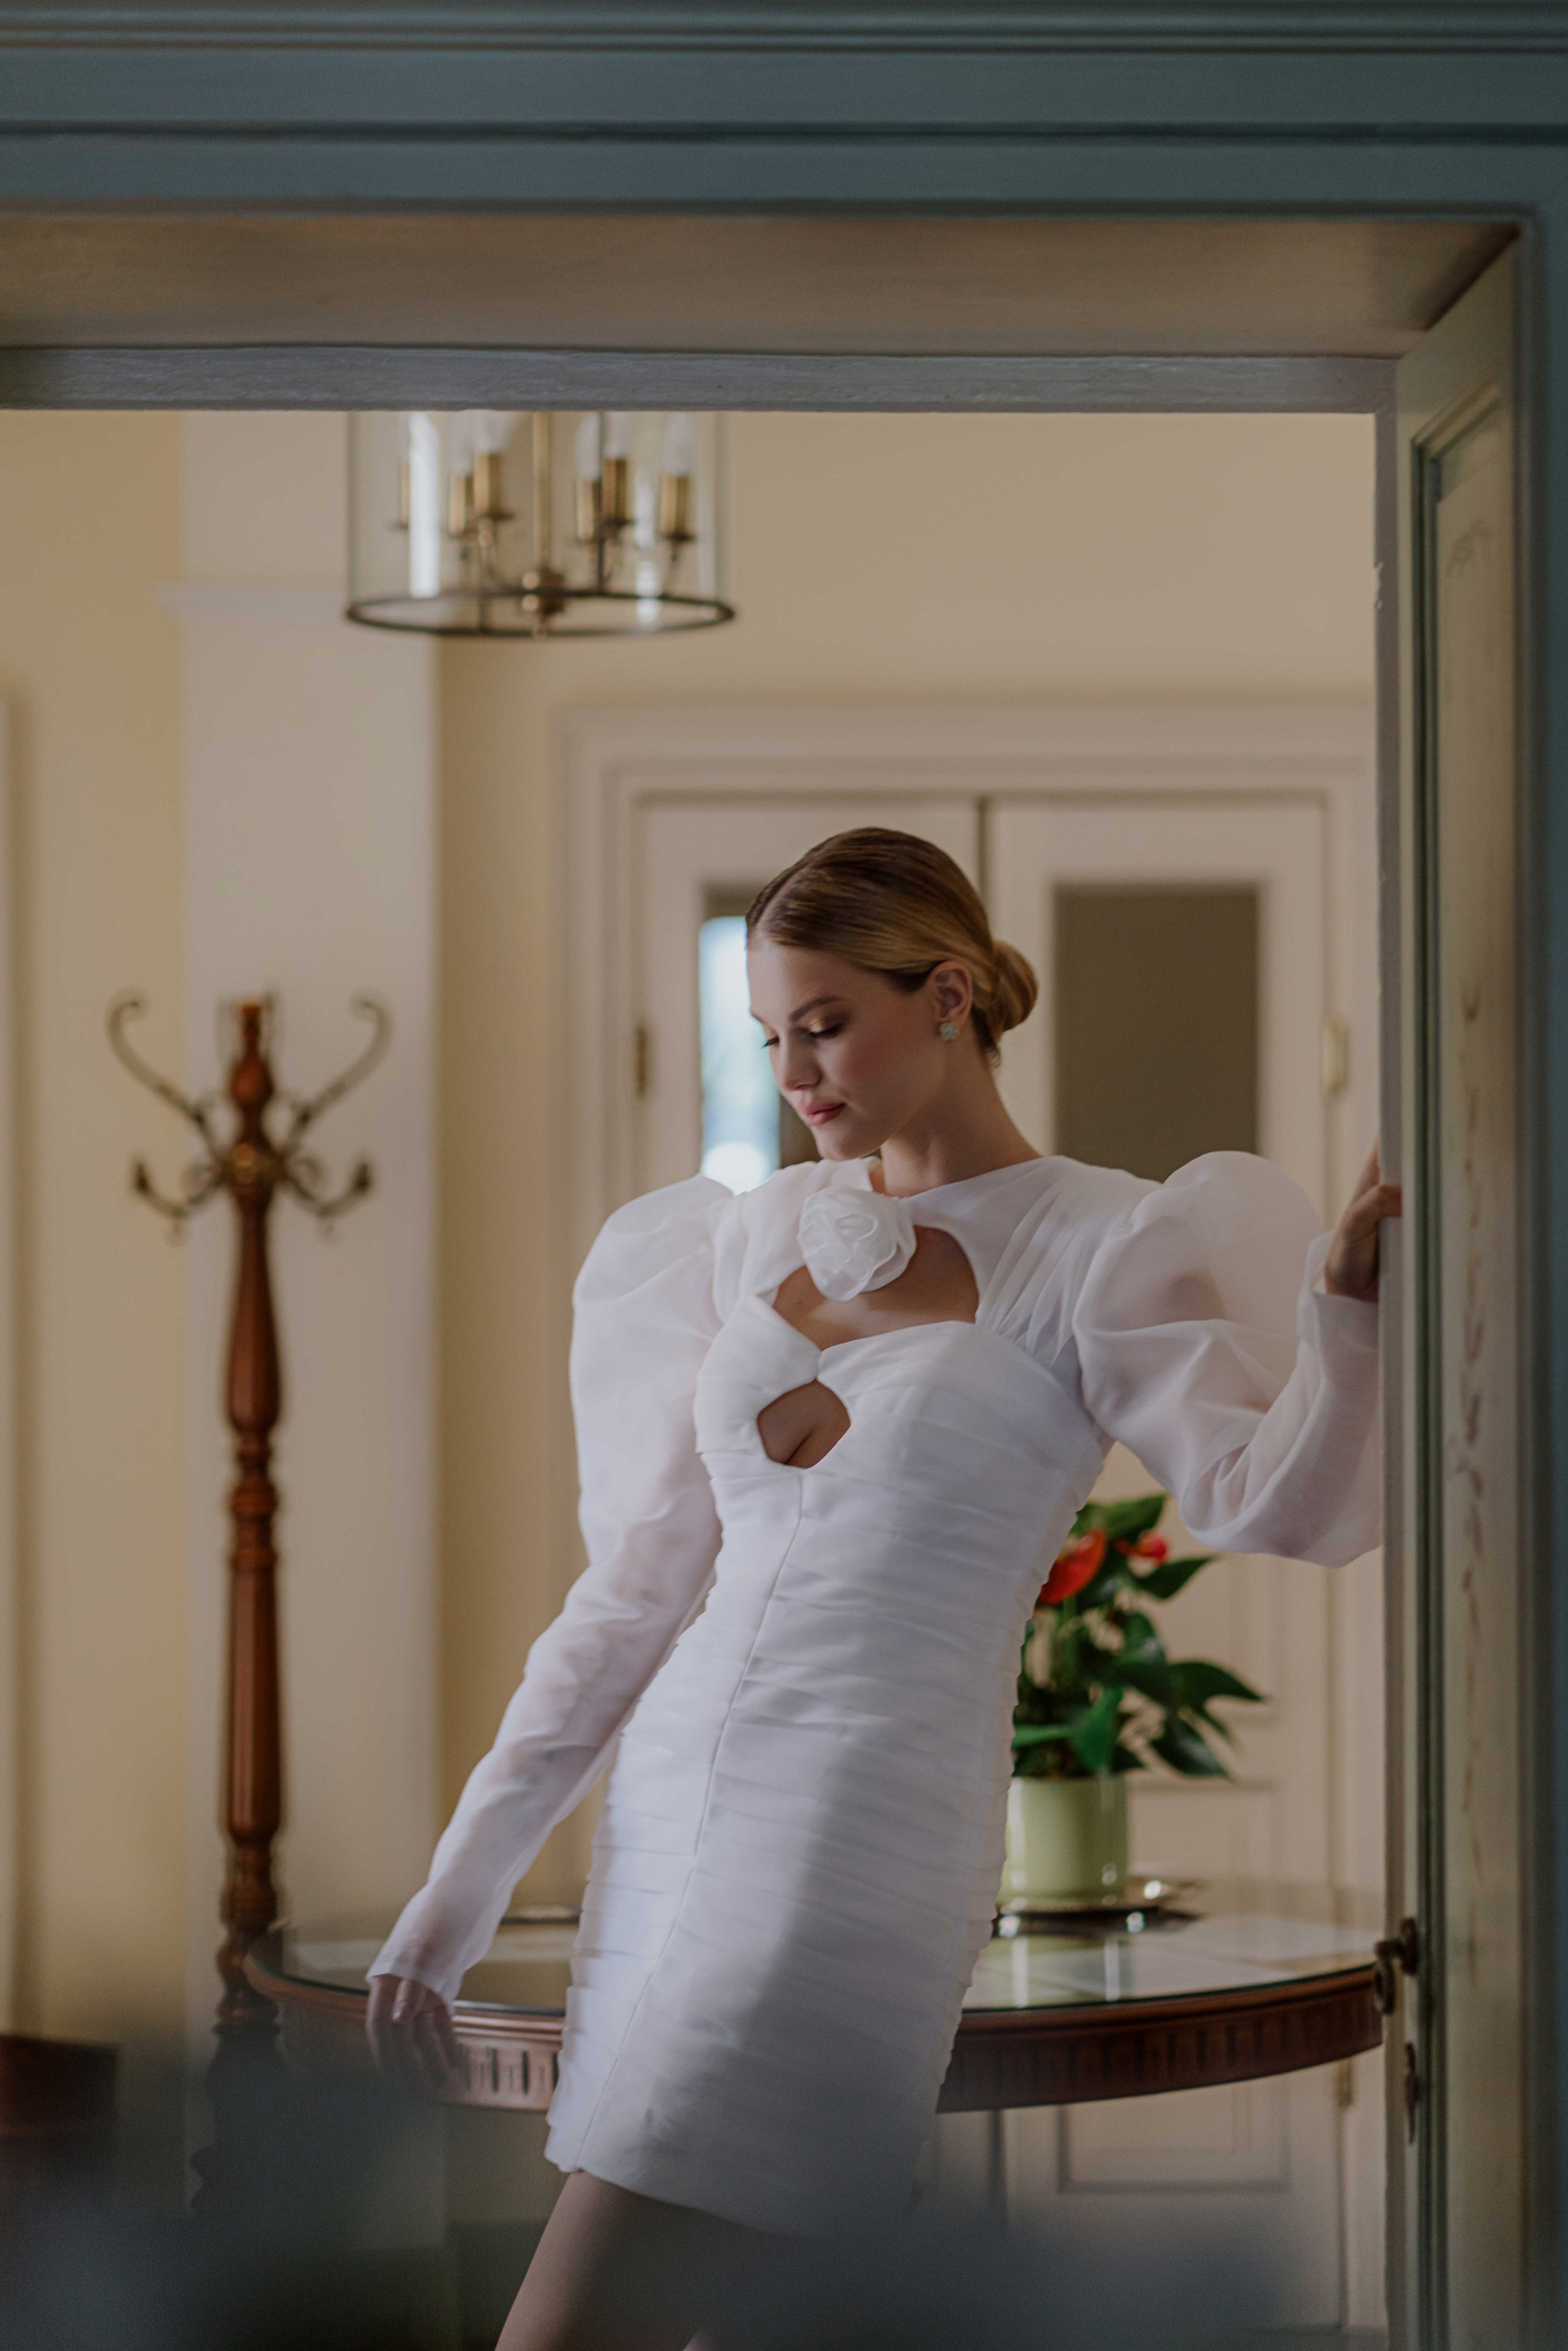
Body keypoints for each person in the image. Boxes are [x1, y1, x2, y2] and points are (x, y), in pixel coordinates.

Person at [368, 828, 1398, 2351]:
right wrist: (447, 1903)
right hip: (667, 1821)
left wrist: (1345, 1322)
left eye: (825, 1021)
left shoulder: (1106, 1243)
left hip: (855, 1827)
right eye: (768, 1035)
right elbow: (633, 1599)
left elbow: (1273, 1503)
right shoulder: (757, 1233)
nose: (794, 1072)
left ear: (949, 993)